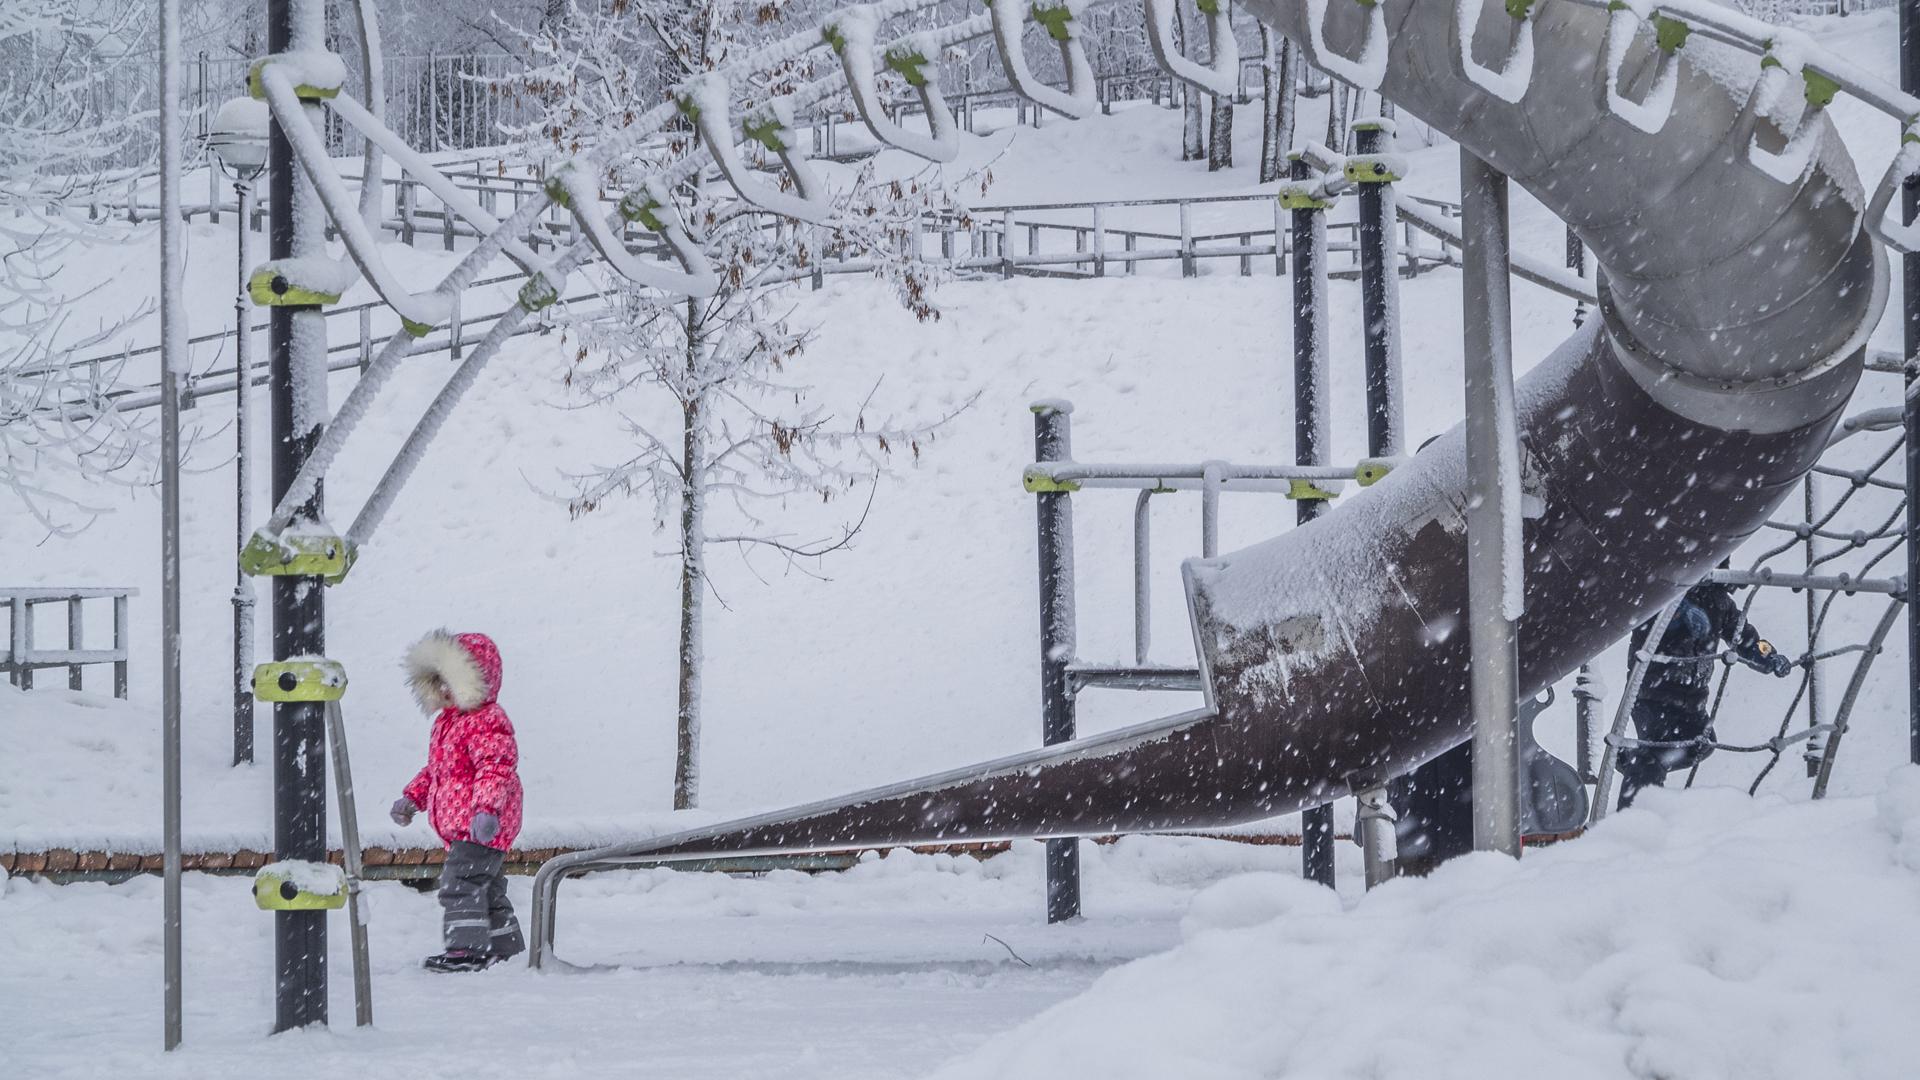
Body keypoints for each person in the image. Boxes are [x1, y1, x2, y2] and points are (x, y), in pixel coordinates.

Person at [390, 630, 525, 972]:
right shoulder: (447, 723)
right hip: (467, 826)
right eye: (439, 682)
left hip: (481, 825)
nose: (445, 689)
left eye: (452, 681)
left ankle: (465, 952)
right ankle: (505, 949)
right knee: (487, 887)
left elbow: (496, 768)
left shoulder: (486, 721)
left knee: (459, 885)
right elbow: (438, 770)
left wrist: (486, 810)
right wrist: (412, 797)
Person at [1615, 579, 1792, 809]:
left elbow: (1745, 638)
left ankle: (1635, 763)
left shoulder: (1720, 603)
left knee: (1702, 743)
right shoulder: (1666, 590)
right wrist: (1678, 613)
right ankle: (1634, 810)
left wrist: (1768, 657)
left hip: (1692, 696)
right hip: (1654, 693)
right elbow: (1643, 617)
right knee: (1658, 751)